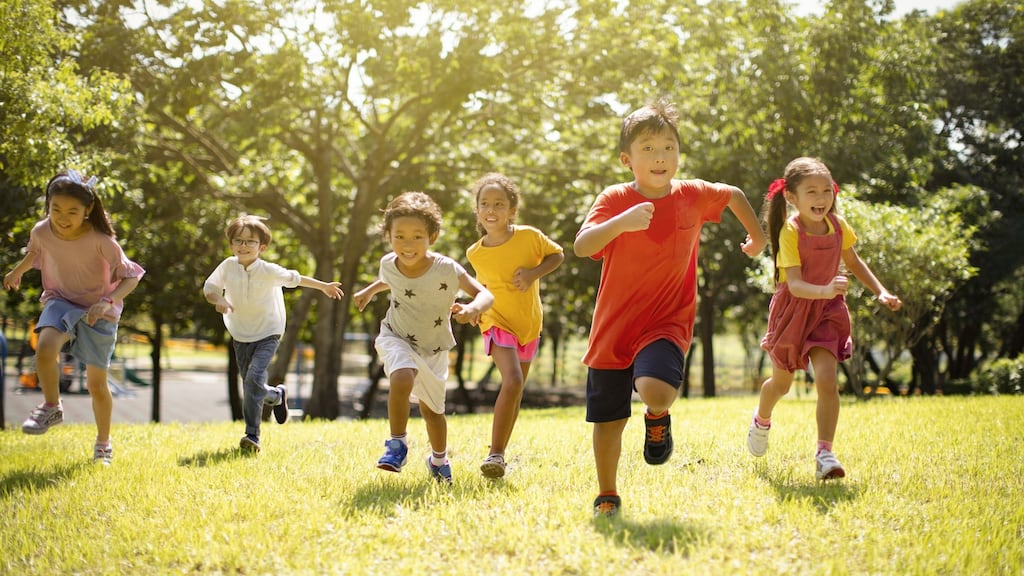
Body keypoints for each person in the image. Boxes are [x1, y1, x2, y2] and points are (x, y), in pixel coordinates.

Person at [573, 99, 767, 516]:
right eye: (648, 148)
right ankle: (607, 493)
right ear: (627, 159)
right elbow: (582, 245)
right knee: (608, 419)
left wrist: (759, 238)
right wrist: (619, 223)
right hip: (612, 327)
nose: (660, 157)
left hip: (666, 321)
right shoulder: (614, 198)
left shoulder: (692, 195)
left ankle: (657, 416)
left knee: (656, 390)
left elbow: (732, 194)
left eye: (668, 147)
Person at [746, 157, 902, 480]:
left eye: (825, 191)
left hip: (827, 312)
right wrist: (828, 288)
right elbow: (797, 285)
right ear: (792, 197)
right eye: (811, 192)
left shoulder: (839, 225)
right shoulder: (791, 231)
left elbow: (854, 262)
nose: (821, 199)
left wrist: (880, 291)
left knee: (828, 381)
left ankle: (824, 453)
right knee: (782, 384)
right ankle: (761, 420)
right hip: (794, 312)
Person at [3, 169, 146, 465]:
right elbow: (35, 251)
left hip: (99, 310)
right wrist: (19, 269)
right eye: (55, 209)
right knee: (44, 348)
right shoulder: (42, 230)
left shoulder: (102, 240)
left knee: (96, 384)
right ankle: (51, 406)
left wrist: (108, 301)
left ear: (88, 210)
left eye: (72, 211)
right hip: (61, 300)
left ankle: (103, 443)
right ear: (48, 206)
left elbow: (131, 277)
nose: (62, 217)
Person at [353, 191, 493, 484]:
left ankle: (439, 460)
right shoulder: (388, 263)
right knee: (402, 376)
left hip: (434, 346)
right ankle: (397, 444)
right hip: (396, 334)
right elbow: (390, 280)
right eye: (399, 236)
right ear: (388, 237)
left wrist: (471, 308)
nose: (408, 244)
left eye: (417, 236)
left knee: (433, 413)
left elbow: (485, 293)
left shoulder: (446, 268)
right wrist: (369, 290)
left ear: (433, 236)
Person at [203, 214, 344, 454]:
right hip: (240, 333)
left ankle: (252, 435)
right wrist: (220, 301)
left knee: (252, 380)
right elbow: (210, 288)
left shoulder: (268, 270)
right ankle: (276, 395)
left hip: (268, 332)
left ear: (262, 247)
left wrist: (324, 287)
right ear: (231, 244)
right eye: (238, 241)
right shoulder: (228, 266)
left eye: (250, 242)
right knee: (251, 384)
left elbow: (296, 278)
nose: (244, 246)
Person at [466, 173, 564, 478]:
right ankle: (494, 453)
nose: (491, 209)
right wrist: (471, 308)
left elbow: (557, 254)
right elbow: (479, 286)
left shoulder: (529, 236)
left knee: (516, 388)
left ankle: (500, 456)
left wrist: (534, 273)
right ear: (478, 210)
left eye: (499, 204)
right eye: (485, 204)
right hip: (495, 321)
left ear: (512, 210)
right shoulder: (475, 253)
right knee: (512, 381)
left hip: (528, 323)